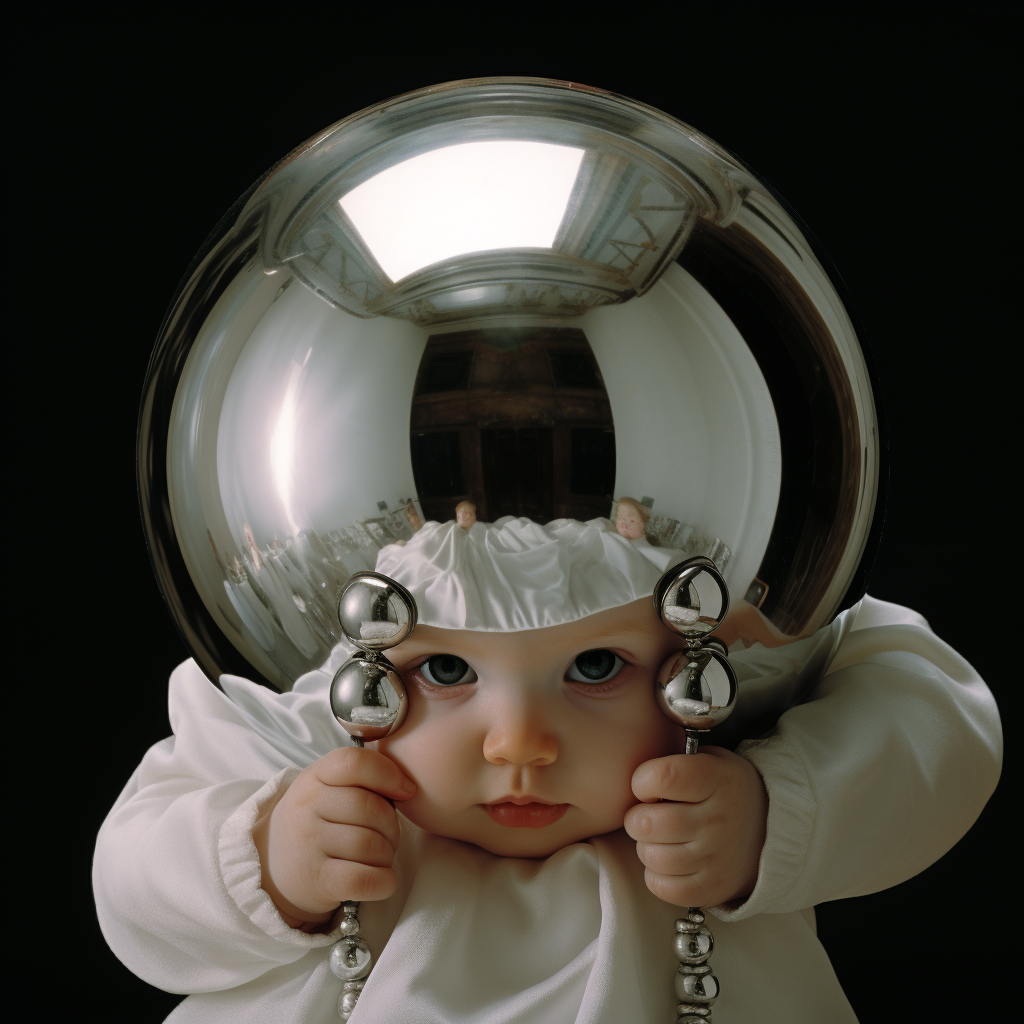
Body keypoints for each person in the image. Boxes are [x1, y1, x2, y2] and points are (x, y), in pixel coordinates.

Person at [93, 516, 1001, 1023]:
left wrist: (776, 814)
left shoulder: (726, 760)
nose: (519, 743)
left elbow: (936, 721)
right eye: (445, 672)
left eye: (597, 668)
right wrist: (267, 860)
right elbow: (130, 885)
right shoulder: (315, 753)